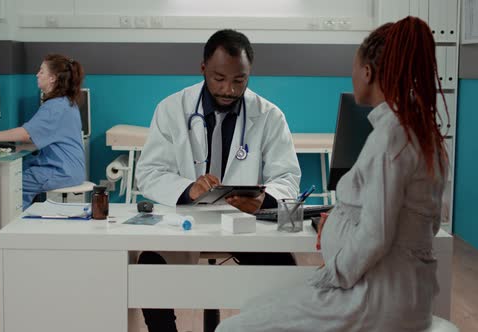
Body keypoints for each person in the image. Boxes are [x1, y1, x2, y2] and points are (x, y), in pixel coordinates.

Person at [216, 16, 449, 332]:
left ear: (367, 73)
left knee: (233, 328)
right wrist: (344, 222)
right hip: (401, 293)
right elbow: (413, 221)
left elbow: (376, 234)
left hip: (372, 299)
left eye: (353, 66)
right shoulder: (424, 134)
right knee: (259, 307)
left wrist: (330, 275)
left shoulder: (390, 138)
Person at [135, 29, 301, 332]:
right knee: (149, 267)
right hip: (186, 219)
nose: (229, 89)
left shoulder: (269, 116)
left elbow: (287, 176)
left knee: (283, 269)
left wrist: (266, 198)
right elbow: (149, 172)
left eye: (239, 80)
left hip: (244, 222)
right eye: (219, 78)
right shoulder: (172, 109)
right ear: (203, 70)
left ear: (249, 73)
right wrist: (188, 189)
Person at [0, 54, 86, 209]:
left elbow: (26, 134)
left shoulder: (55, 107)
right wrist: (18, 148)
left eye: (41, 71)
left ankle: (10, 226)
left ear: (52, 78)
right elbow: (44, 136)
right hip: (70, 169)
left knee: (13, 185)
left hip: (62, 171)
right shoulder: (66, 103)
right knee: (20, 170)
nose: (37, 75)